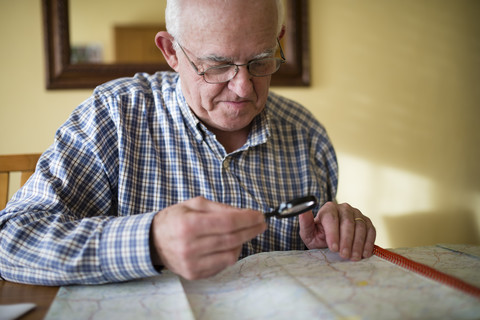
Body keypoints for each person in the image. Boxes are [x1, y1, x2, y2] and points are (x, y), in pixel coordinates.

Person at [0, 0, 375, 286]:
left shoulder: (308, 136)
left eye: (261, 61)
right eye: (217, 65)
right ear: (171, 52)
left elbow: (321, 272)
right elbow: (12, 240)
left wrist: (332, 243)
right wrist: (150, 243)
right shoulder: (113, 116)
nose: (243, 87)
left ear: (278, 41)